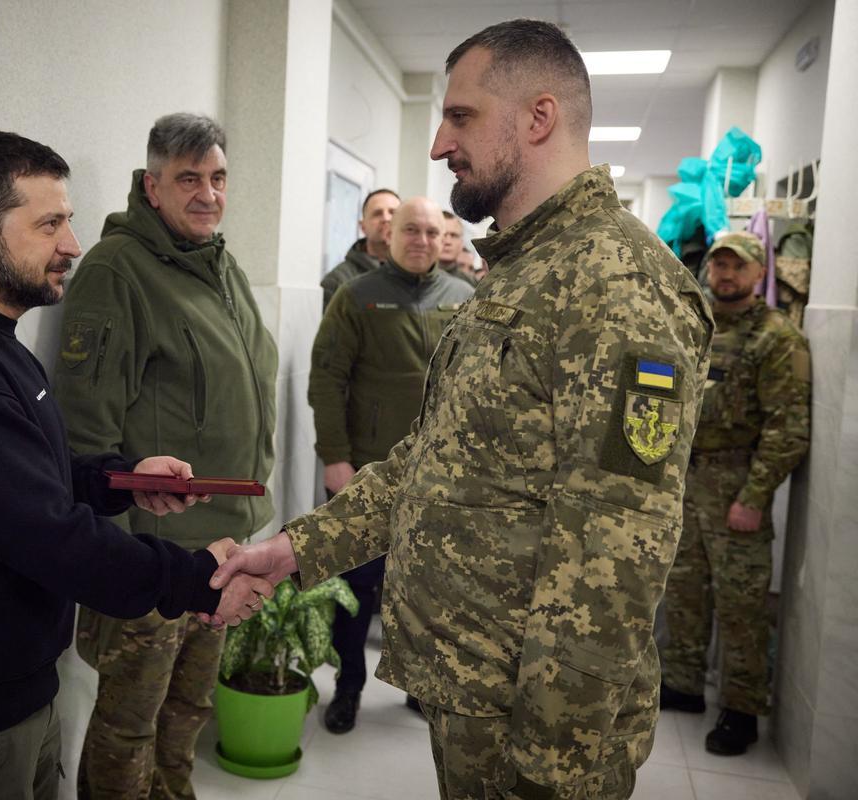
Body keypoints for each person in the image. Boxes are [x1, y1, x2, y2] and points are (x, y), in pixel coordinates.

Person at [209, 19, 714, 800]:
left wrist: (551, 762)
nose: (441, 143)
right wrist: (300, 550)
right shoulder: (519, 269)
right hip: (475, 689)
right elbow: (433, 456)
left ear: (537, 118)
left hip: (536, 724)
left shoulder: (614, 282)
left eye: (461, 117)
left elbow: (617, 548)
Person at [0, 130, 271, 800]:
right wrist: (197, 579)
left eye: (69, 221)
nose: (72, 246)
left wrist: (123, 481)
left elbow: (30, 481)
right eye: (49, 224)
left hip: (16, 686)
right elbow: (48, 536)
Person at [54, 113, 277, 799]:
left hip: (218, 546)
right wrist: (114, 567)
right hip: (149, 559)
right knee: (129, 728)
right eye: (188, 179)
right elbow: (86, 434)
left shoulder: (222, 267)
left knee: (187, 714)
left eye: (217, 178)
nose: (207, 193)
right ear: (152, 187)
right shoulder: (117, 272)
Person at [308, 196, 472, 734]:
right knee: (357, 592)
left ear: (443, 236)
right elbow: (327, 380)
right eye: (411, 230)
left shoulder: (465, 297)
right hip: (368, 474)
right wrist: (335, 457)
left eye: (430, 231)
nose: (421, 240)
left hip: (442, 478)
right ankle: (348, 687)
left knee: (430, 591)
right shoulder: (358, 296)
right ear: (390, 234)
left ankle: (419, 689)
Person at [660, 231, 810, 756]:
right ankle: (682, 685)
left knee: (741, 603)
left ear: (758, 273)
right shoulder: (694, 324)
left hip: (736, 487)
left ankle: (742, 709)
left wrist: (754, 496)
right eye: (719, 266)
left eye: (736, 267)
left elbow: (788, 428)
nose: (725, 275)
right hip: (686, 480)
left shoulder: (777, 337)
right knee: (683, 588)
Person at [320, 188, 401, 310]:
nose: (386, 218)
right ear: (363, 227)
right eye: (377, 213)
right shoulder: (338, 281)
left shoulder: (417, 274)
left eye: (393, 212)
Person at [437, 210, 480, 287]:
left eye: (454, 235)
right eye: (443, 234)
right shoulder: (414, 277)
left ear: (461, 243)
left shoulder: (472, 286)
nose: (448, 241)